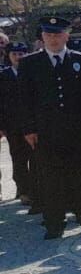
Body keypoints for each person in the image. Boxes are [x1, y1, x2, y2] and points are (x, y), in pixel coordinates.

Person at [17, 16, 81, 238]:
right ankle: (54, 223)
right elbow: (24, 100)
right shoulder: (30, 63)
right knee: (51, 180)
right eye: (49, 34)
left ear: (67, 35)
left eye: (58, 34)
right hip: (46, 132)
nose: (53, 38)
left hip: (79, 132)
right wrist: (28, 129)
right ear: (42, 36)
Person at [0, 40, 33, 205]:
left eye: (21, 54)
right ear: (9, 56)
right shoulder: (4, 75)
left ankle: (36, 189)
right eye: (14, 54)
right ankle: (24, 190)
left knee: (36, 158)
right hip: (13, 125)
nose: (18, 57)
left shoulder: (33, 73)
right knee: (18, 159)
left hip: (33, 124)